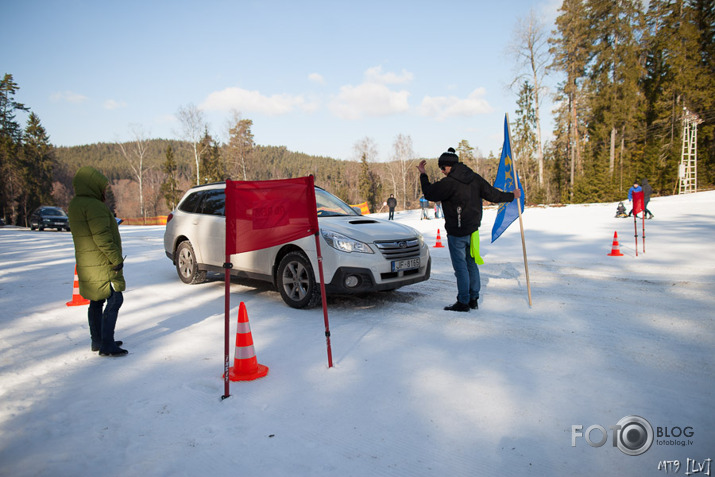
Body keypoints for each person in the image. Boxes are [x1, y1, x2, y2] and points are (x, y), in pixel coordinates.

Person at [418, 147, 520, 312]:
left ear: (448, 166)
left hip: (457, 233)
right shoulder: (474, 178)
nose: (443, 172)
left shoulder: (449, 183)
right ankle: (473, 298)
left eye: (442, 168)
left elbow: (429, 193)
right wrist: (512, 195)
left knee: (461, 268)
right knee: (471, 265)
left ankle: (463, 302)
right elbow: (493, 195)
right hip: (473, 231)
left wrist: (423, 174)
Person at [68, 166, 128, 357]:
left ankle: (98, 340)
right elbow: (102, 237)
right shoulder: (95, 206)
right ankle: (107, 344)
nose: (104, 190)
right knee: (115, 298)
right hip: (102, 262)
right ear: (93, 185)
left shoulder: (76, 204)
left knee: (96, 300)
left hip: (88, 262)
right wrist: (116, 259)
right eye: (102, 187)